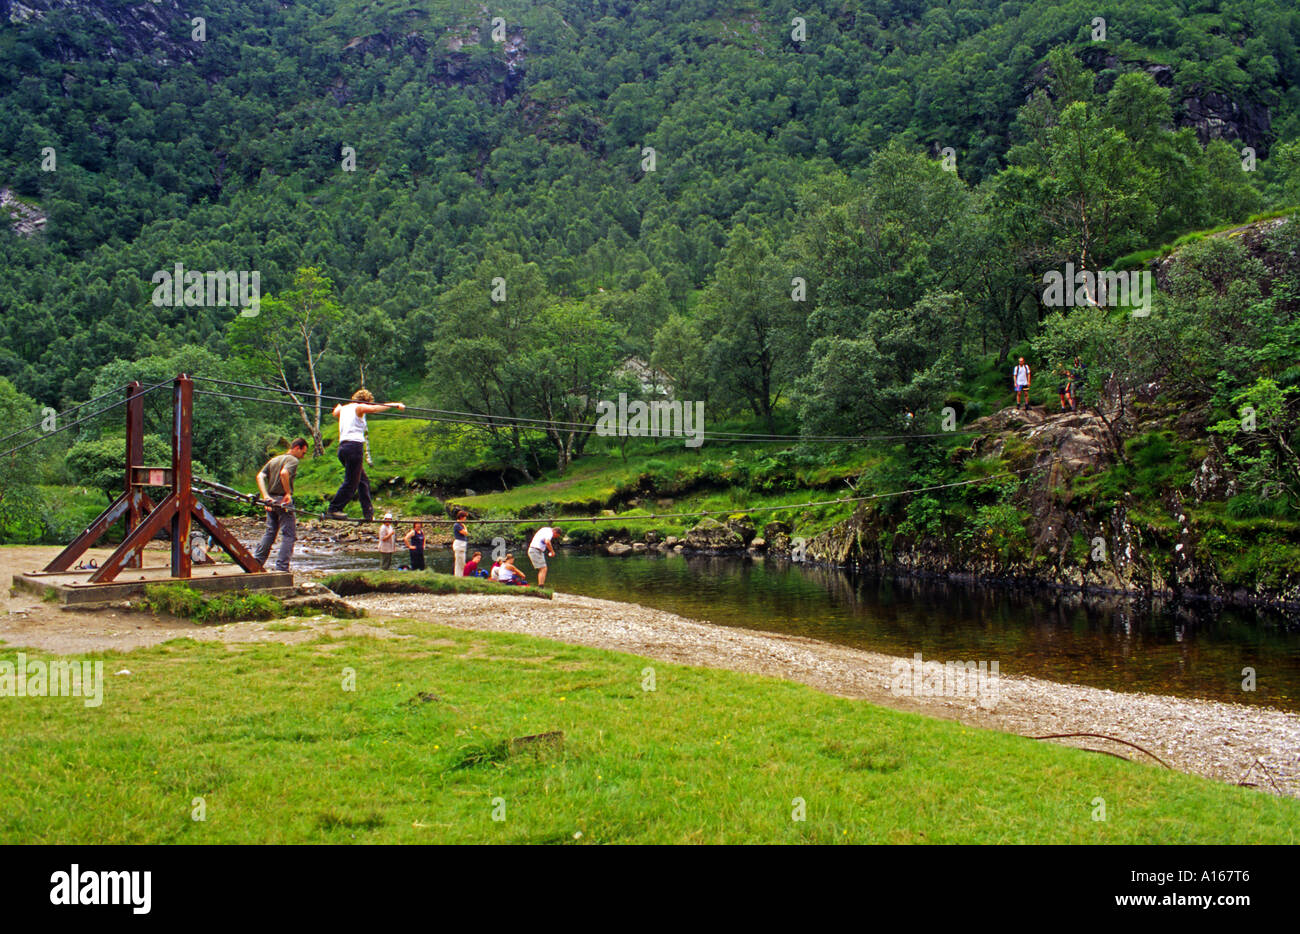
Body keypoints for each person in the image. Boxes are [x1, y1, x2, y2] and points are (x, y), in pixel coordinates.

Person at [325, 389, 405, 521]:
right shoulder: (359, 407)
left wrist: (338, 406)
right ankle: (334, 509)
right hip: (354, 448)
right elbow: (374, 409)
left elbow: (335, 412)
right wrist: (395, 405)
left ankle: (368, 513)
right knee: (351, 482)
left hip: (343, 448)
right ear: (366, 402)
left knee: (363, 481)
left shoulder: (344, 409)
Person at [254, 438, 308, 572]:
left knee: (270, 531)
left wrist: (265, 496)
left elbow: (260, 476)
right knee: (289, 535)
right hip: (283, 500)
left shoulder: (274, 460)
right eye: (303, 453)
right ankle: (282, 568)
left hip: (270, 499)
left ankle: (257, 561)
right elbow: (284, 473)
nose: (303, 456)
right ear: (297, 448)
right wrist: (288, 493)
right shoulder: (292, 460)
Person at [452, 510, 470, 577]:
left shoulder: (460, 525)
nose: (465, 519)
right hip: (459, 545)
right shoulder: (457, 525)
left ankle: (460, 576)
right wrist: (465, 527)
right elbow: (465, 533)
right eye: (465, 517)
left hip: (462, 545)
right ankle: (458, 576)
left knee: (461, 562)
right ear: (462, 517)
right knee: (459, 562)